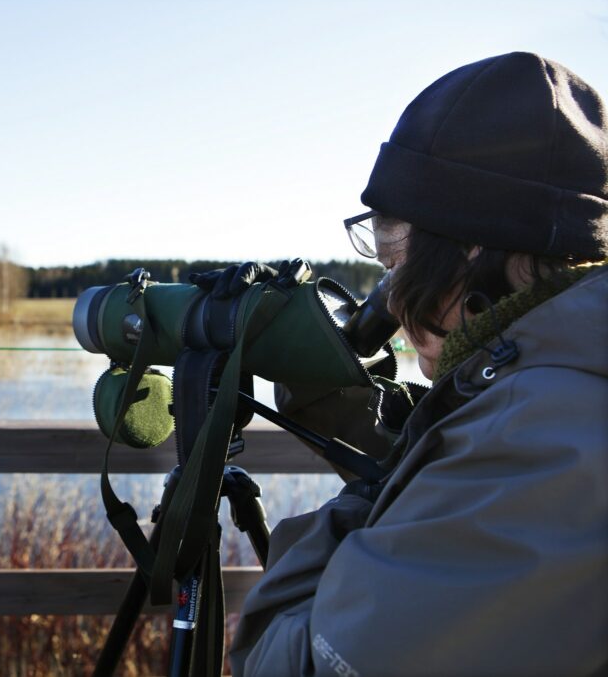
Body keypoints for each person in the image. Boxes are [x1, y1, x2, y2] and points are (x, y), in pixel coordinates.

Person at [226, 52, 608, 676]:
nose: (393, 304)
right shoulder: (558, 383)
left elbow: (291, 658)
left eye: (395, 267)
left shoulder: (540, 444)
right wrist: (388, 436)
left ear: (473, 244)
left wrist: (367, 500)